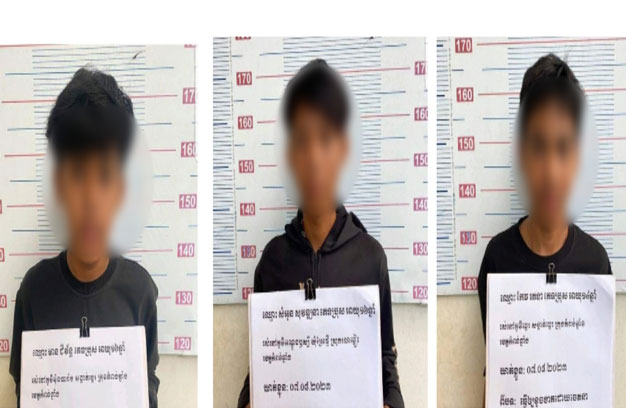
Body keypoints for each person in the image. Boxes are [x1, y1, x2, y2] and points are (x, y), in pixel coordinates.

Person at [237, 59, 404, 408]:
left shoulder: (370, 258)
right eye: (301, 141)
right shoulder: (272, 261)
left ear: (343, 150)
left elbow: (385, 361)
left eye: (325, 139)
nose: (313, 158)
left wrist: (390, 402)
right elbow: (261, 368)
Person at [9, 68, 160, 407]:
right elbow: (26, 394)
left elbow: (147, 392)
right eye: (77, 174)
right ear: (58, 187)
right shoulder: (33, 292)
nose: (91, 199)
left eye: (105, 176)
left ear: (121, 190)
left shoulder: (140, 292)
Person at [477, 54, 612, 337]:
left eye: (563, 147)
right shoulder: (497, 260)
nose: (551, 173)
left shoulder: (596, 263)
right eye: (538, 146)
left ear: (577, 158)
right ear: (521, 154)